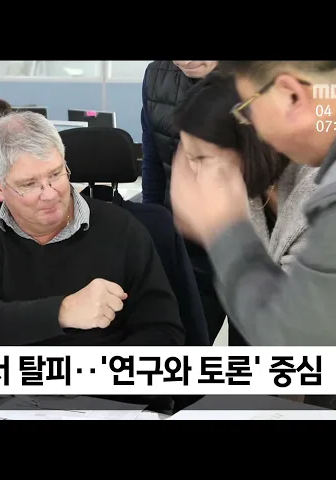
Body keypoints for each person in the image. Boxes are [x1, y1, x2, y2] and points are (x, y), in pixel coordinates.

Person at [170, 60, 336, 384]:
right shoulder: (257, 194)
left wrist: (223, 229)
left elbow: (295, 339)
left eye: (201, 160)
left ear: (291, 94)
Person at [0, 111, 185, 349]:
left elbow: (163, 332)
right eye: (29, 184)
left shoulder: (123, 229)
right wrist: (63, 311)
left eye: (55, 174)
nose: (50, 194)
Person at [172, 71, 316, 348]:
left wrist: (223, 231)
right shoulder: (252, 189)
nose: (195, 174)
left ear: (249, 147)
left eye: (202, 159)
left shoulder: (323, 197)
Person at [140, 61, 224, 343]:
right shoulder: (157, 76)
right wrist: (155, 234)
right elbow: (153, 161)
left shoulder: (266, 75)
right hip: (186, 247)